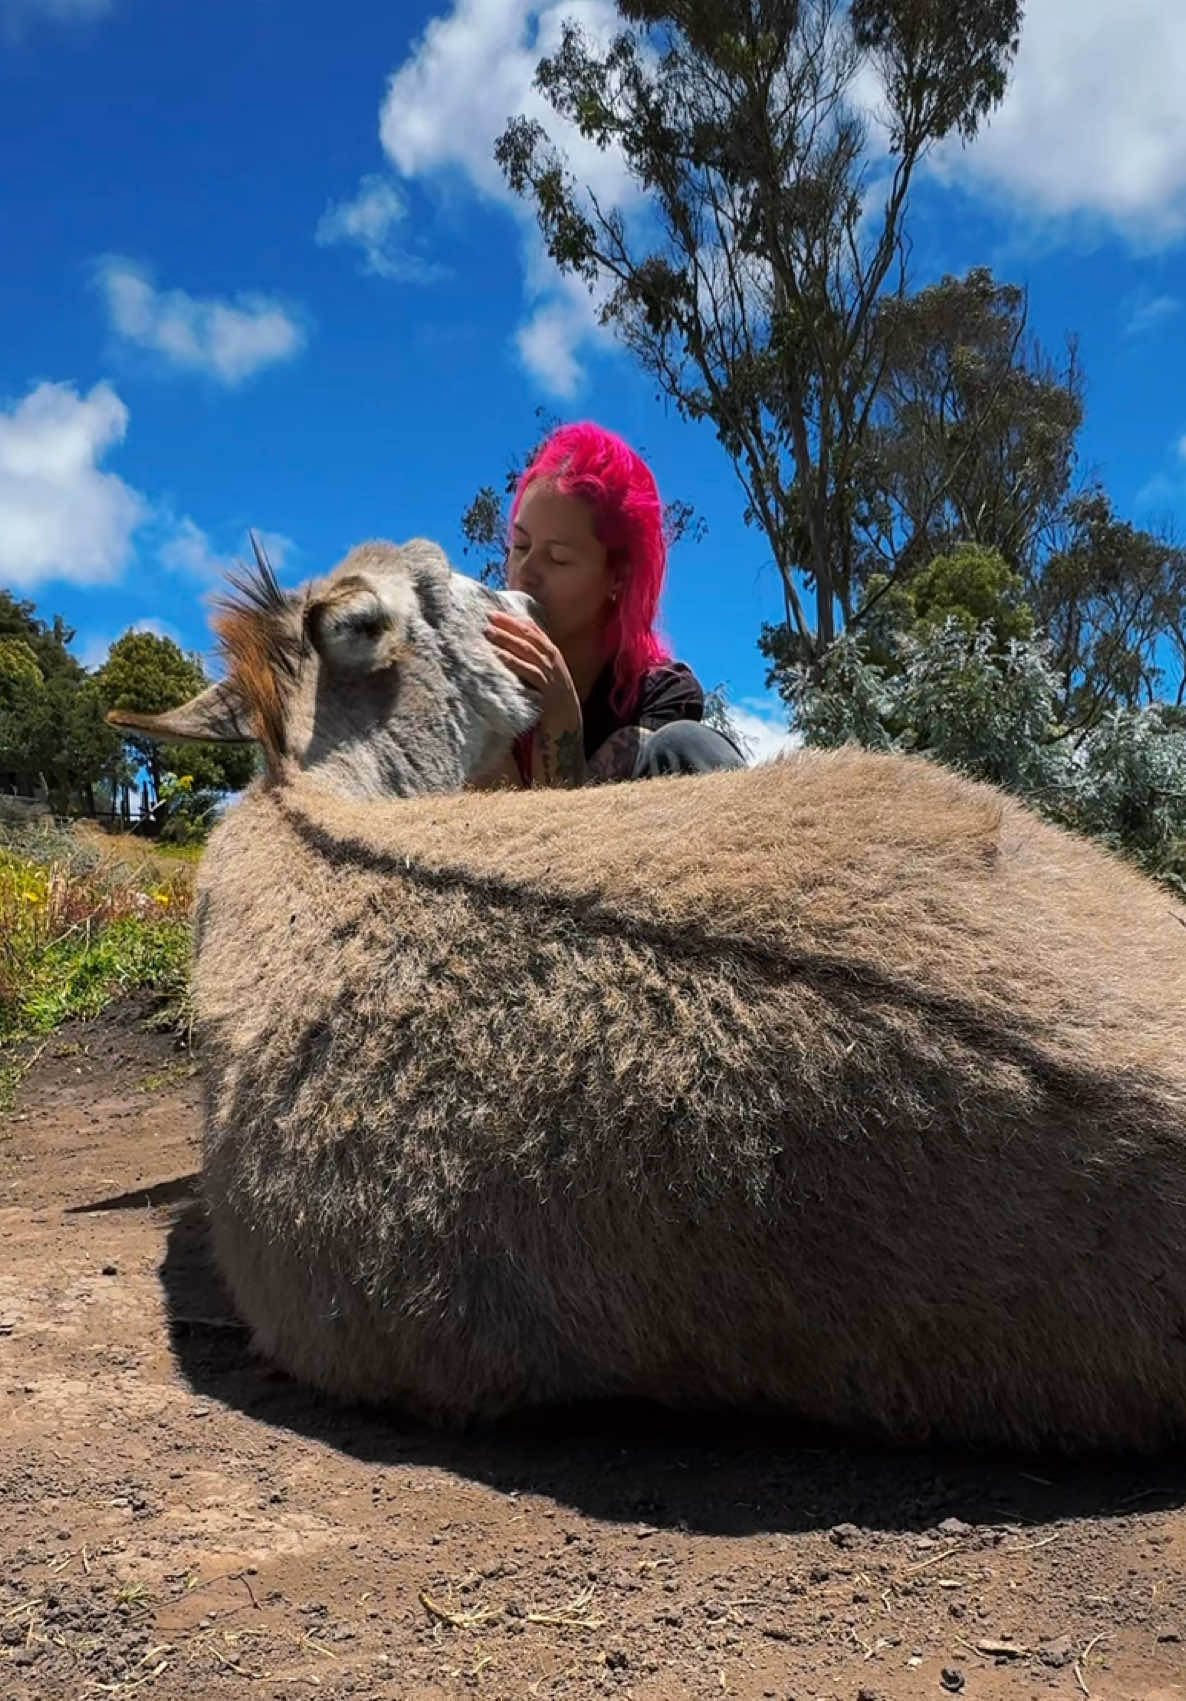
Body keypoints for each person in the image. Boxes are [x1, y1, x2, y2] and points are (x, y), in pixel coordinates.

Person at [473, 421, 746, 790]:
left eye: (557, 558)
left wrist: (558, 713)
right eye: (520, 547)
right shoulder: (480, 668)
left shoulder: (664, 695)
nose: (526, 573)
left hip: (641, 843)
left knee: (692, 745)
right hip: (485, 846)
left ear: (617, 576)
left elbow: (575, 834)